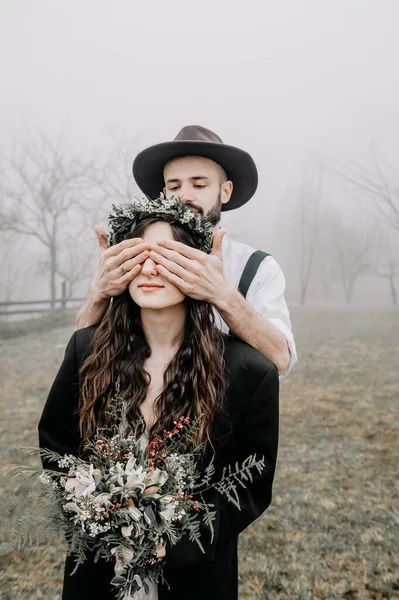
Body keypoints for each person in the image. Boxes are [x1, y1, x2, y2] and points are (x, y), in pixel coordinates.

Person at [38, 197, 279, 600]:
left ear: (196, 266)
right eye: (139, 255)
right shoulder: (86, 350)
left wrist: (182, 539)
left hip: (195, 576)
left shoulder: (247, 371)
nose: (149, 269)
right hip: (99, 571)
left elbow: (251, 483)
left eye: (167, 256)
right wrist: (93, 513)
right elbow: (56, 444)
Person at [75, 125, 297, 378]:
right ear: (163, 194)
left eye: (199, 185)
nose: (185, 197)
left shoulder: (257, 268)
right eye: (175, 186)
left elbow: (280, 360)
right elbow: (82, 353)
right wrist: (98, 294)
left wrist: (222, 295)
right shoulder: (136, 259)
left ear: (225, 191)